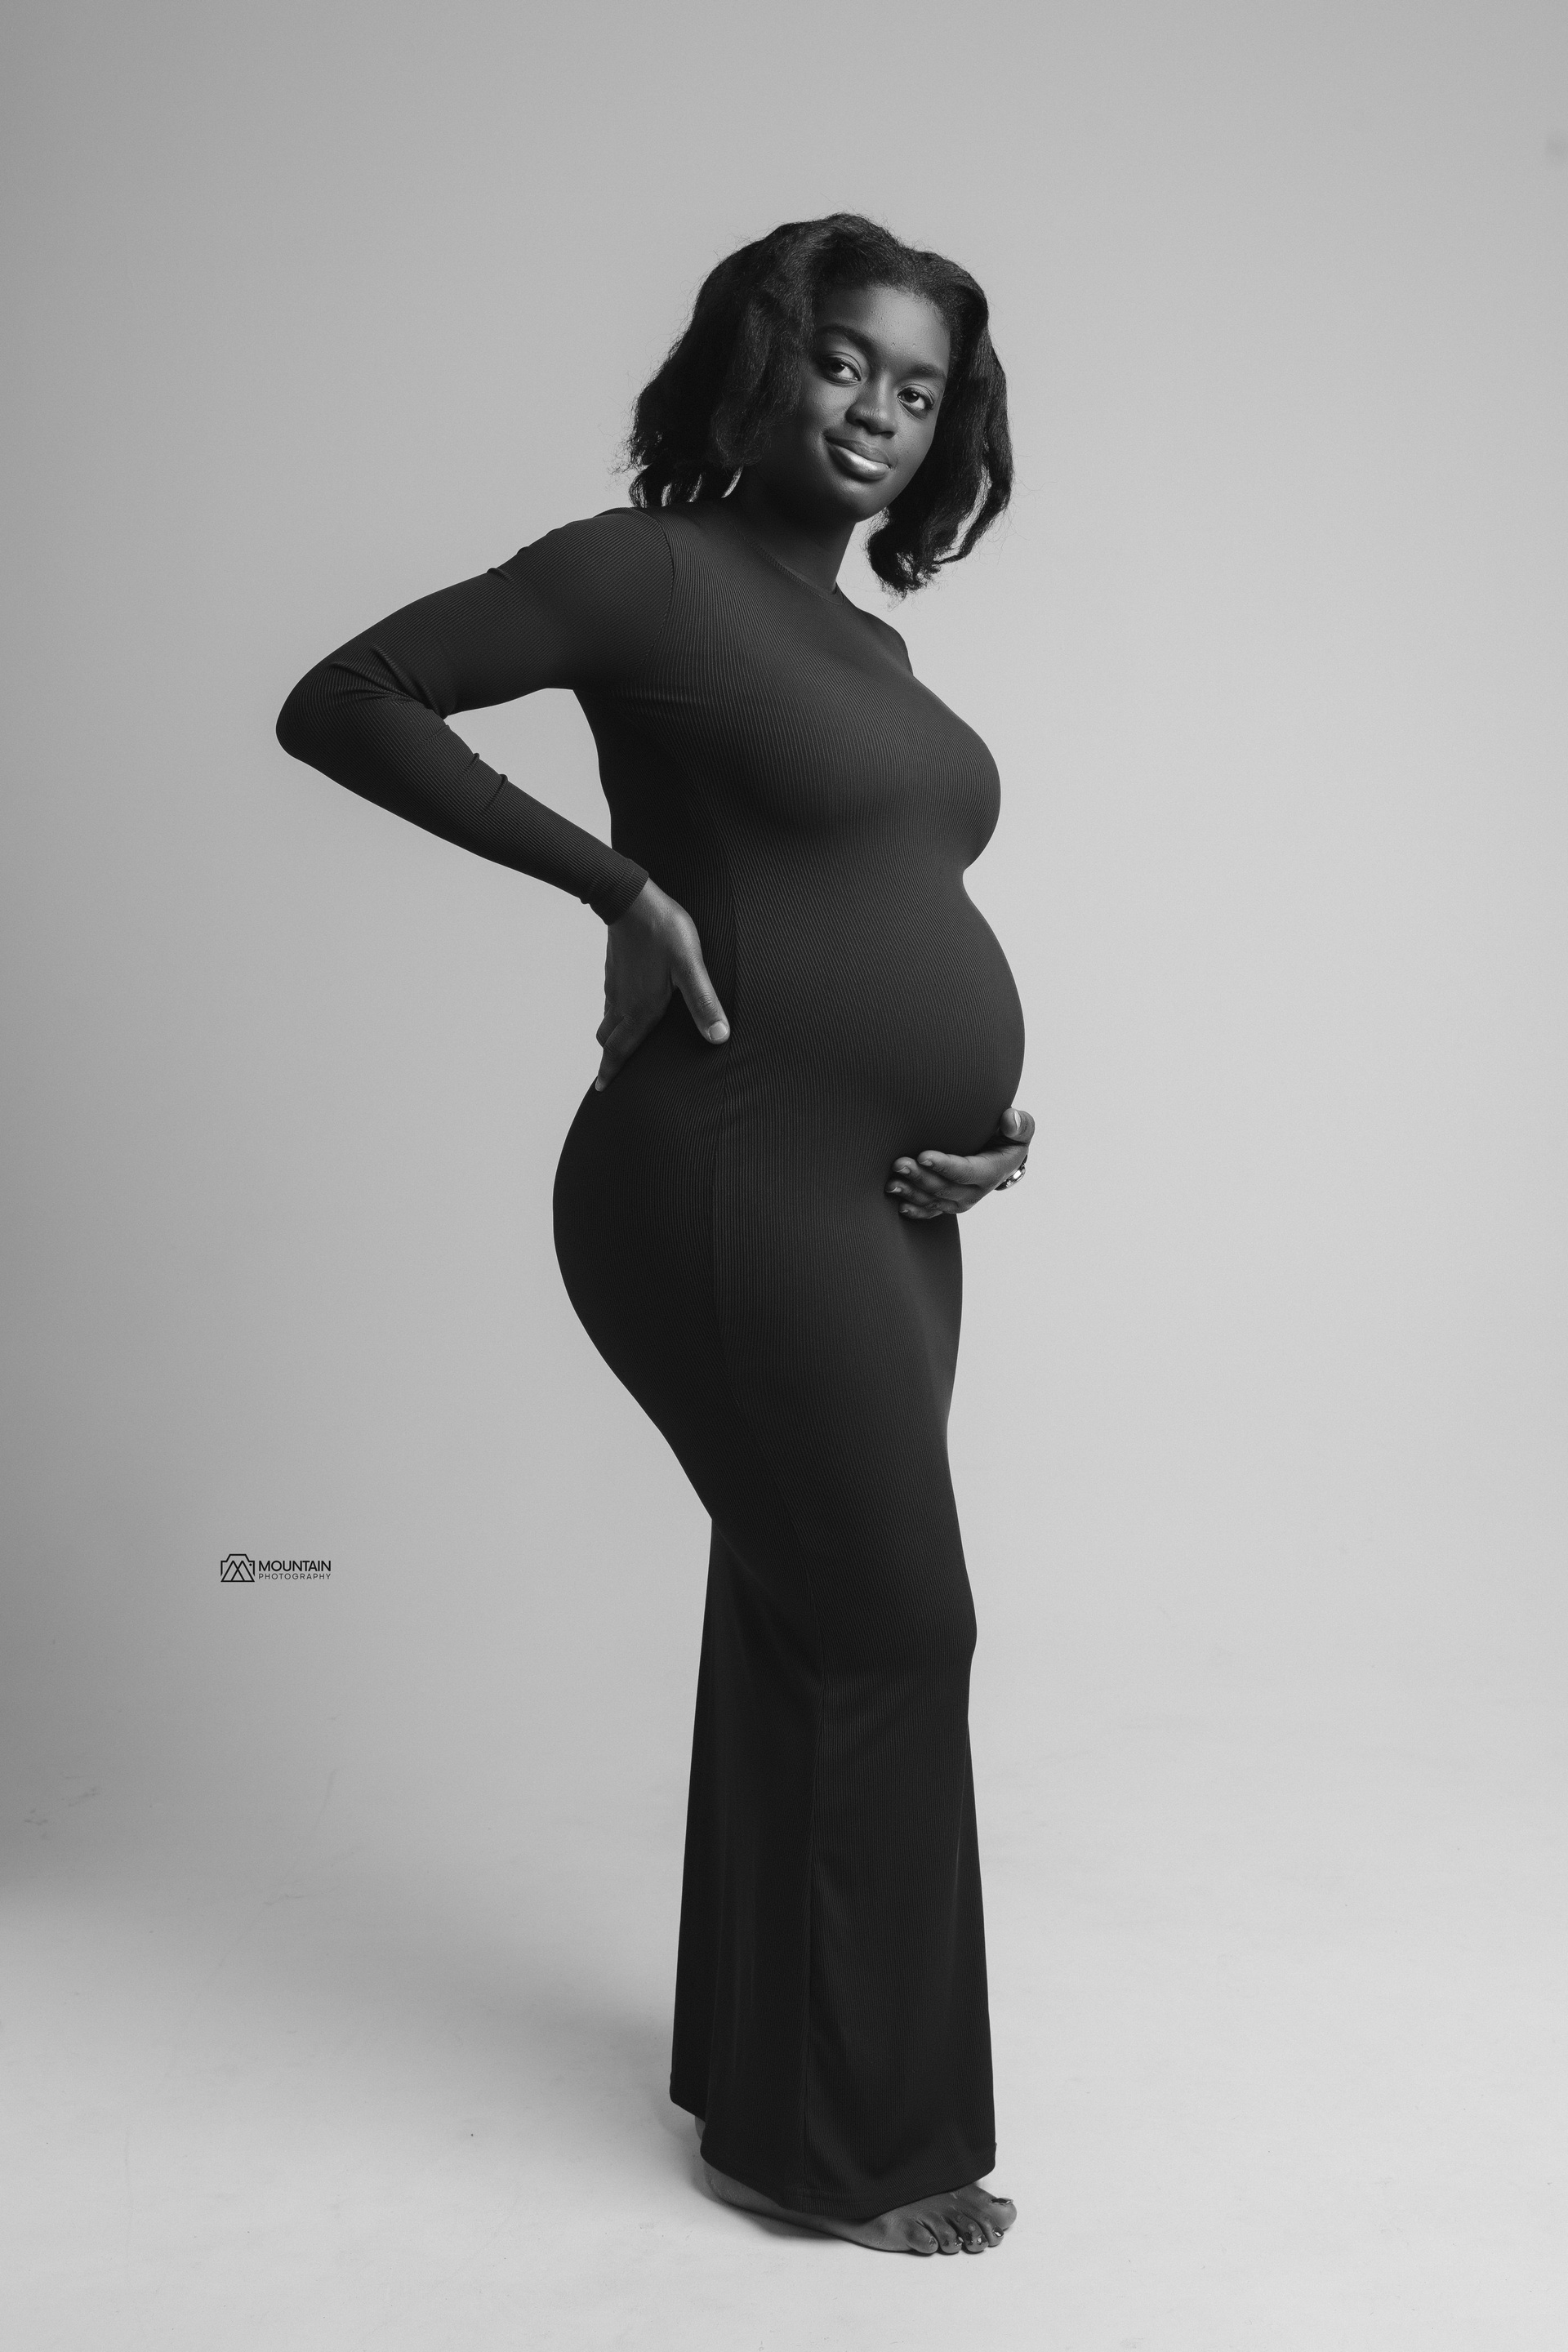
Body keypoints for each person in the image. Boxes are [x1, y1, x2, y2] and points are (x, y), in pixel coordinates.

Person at [276, 212, 1032, 2258]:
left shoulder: (871, 651)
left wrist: (982, 1124)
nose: (877, 413)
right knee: (896, 1624)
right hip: (722, 1175)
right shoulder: (651, 572)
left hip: (887, 1206)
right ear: (762, 362)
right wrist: (612, 886)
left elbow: (873, 913)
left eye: (920, 387)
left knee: (806, 1613)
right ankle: (860, 2152)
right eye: (844, 362)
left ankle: (763, 2092)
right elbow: (349, 697)